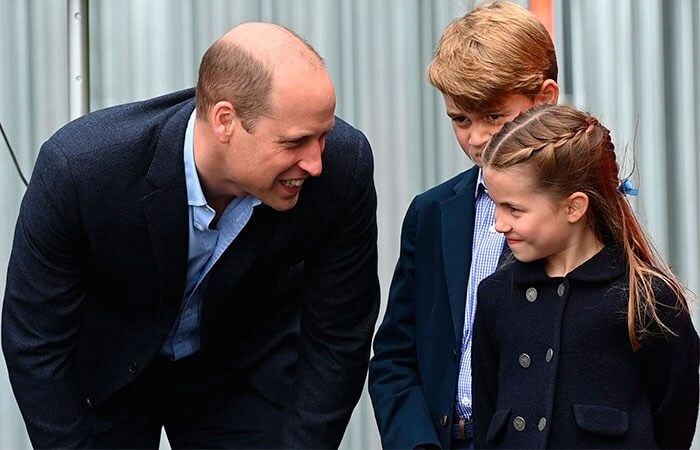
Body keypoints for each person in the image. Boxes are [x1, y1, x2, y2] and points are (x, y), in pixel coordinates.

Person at [2, 22, 379, 449]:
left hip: (241, 371)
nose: (315, 163)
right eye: (295, 142)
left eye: (323, 135)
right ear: (225, 120)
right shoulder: (81, 169)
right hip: (107, 373)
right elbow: (33, 340)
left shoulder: (343, 169)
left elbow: (340, 334)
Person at [369, 1, 559, 449]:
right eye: (460, 119)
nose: (476, 138)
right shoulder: (432, 213)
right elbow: (396, 356)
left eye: (495, 116)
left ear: (545, 98)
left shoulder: (580, 210)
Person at [473, 103, 699, 449]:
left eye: (514, 209)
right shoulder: (495, 296)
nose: (499, 224)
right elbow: (487, 411)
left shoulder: (648, 298)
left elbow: (674, 420)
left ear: (574, 207)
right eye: (495, 205)